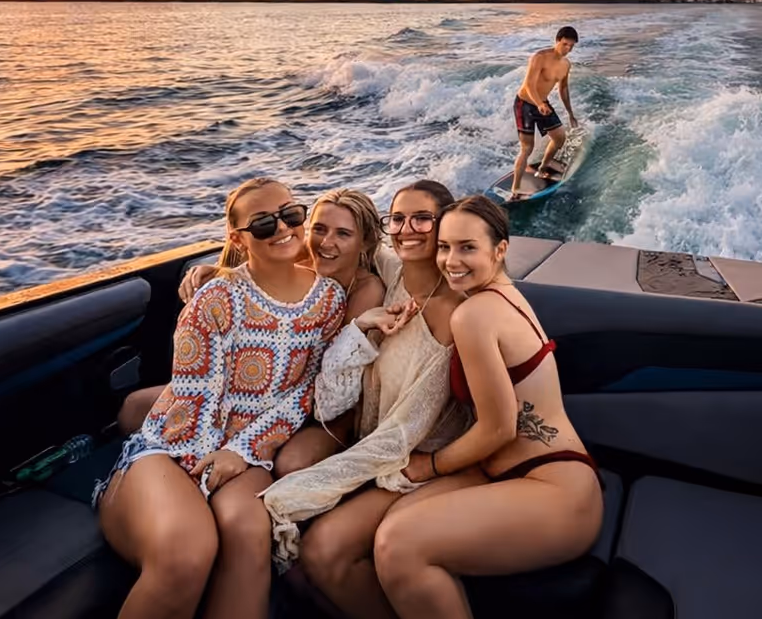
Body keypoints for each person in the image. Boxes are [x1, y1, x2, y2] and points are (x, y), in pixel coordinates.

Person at [93, 177, 348, 619]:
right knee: (186, 550)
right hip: (177, 445)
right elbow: (194, 398)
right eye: (264, 224)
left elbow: (308, 390)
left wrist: (242, 450)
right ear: (237, 238)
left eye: (290, 215)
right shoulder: (214, 298)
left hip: (251, 450)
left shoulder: (328, 299)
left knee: (248, 530)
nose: (283, 229)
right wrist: (204, 475)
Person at [370, 194, 603, 618]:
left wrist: (432, 464)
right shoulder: (502, 294)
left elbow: (500, 429)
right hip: (515, 473)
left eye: (467, 247)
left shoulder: (474, 314)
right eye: (444, 246)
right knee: (397, 516)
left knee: (397, 545)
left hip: (556, 490)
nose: (451, 260)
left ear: (500, 249)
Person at [263, 179, 471, 619]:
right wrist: (221, 270)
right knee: (298, 572)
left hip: (419, 460)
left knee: (320, 550)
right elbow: (330, 243)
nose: (408, 229)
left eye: (423, 219)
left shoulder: (457, 315)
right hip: (374, 443)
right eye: (398, 218)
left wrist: (290, 495)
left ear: (445, 228)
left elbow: (399, 438)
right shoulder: (394, 269)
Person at [116, 188, 391, 477]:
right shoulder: (304, 258)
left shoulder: (364, 290)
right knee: (133, 408)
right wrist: (217, 271)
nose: (326, 242)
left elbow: (330, 369)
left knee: (291, 464)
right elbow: (254, 268)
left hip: (323, 403)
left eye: (343, 234)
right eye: (319, 229)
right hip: (269, 386)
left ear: (366, 241)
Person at [508, 26, 579, 202]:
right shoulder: (539, 58)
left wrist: (570, 113)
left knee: (559, 137)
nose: (567, 49)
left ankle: (544, 166)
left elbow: (563, 89)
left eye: (571, 46)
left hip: (542, 104)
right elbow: (529, 85)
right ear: (557, 41)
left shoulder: (565, 65)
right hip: (525, 103)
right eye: (564, 45)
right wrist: (539, 103)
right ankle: (515, 189)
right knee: (527, 148)